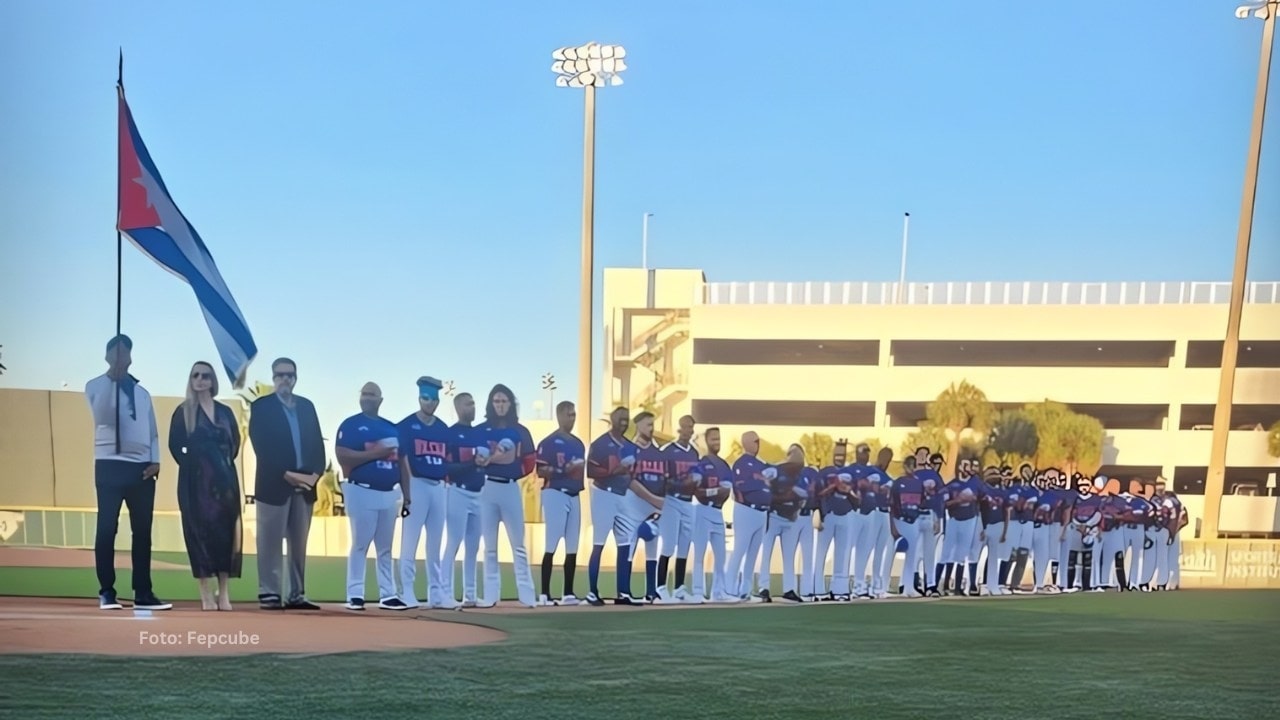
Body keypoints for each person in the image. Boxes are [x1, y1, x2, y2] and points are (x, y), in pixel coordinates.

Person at [85, 334, 170, 611]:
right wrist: (114, 378)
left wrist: (155, 460)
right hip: (110, 464)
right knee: (107, 528)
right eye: (118, 352)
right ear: (108, 355)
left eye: (127, 353)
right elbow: (103, 417)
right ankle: (107, 590)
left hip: (141, 469)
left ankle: (143, 591)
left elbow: (153, 431)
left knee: (142, 531)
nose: (124, 357)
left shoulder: (142, 393)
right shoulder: (96, 386)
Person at [248, 357, 326, 610]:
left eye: (289, 375)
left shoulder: (306, 406)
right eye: (280, 375)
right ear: (273, 377)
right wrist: (284, 473)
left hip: (305, 485)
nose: (285, 379)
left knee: (299, 544)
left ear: (295, 378)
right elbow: (260, 444)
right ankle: (269, 592)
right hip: (274, 483)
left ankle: (297, 594)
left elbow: (317, 443)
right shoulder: (262, 407)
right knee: (269, 543)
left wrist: (315, 475)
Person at [167, 361, 243, 611]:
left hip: (225, 483)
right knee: (199, 533)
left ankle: (224, 593)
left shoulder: (225, 412)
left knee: (225, 534)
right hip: (194, 484)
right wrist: (195, 465)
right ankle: (205, 592)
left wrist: (219, 465)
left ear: (213, 380)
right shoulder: (184, 412)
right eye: (195, 375)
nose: (200, 379)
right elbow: (175, 445)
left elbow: (234, 444)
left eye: (206, 376)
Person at [335, 382, 408, 611]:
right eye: (364, 394)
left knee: (385, 547)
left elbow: (402, 463)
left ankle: (388, 594)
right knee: (360, 543)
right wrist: (375, 453)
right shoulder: (351, 425)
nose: (367, 398)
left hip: (389, 492)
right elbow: (342, 455)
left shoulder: (392, 428)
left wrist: (408, 495)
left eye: (372, 395)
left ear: (380, 400)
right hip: (361, 489)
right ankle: (355, 594)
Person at [477, 384, 538, 609]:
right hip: (487, 488)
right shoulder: (481, 430)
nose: (500, 405)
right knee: (490, 546)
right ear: (491, 404)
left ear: (511, 404)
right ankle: (491, 595)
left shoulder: (521, 431)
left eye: (504, 401)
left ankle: (527, 594)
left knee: (518, 544)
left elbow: (530, 461)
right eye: (496, 401)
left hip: (511, 488)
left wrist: (515, 471)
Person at [397, 376, 451, 609]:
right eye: (425, 398)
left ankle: (436, 592)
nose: (429, 403)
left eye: (433, 399)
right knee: (410, 540)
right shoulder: (406, 426)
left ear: (438, 401)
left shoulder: (442, 428)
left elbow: (447, 459)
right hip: (416, 484)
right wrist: (406, 492)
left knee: (435, 543)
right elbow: (403, 459)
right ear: (419, 398)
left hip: (438, 486)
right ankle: (406, 590)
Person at [534, 401, 586, 606]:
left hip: (575, 494)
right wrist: (565, 469)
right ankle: (545, 593)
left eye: (574, 415)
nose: (572, 419)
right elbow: (541, 471)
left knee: (573, 544)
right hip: (555, 492)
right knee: (552, 542)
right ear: (559, 416)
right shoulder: (548, 442)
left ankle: (568, 592)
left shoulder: (578, 443)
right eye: (568, 415)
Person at [441, 392, 486, 608]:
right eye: (469, 403)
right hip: (457, 491)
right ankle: (445, 592)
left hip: (479, 493)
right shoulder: (450, 434)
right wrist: (472, 463)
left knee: (473, 547)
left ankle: (470, 594)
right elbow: (446, 468)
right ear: (458, 407)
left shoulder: (480, 434)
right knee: (453, 543)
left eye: (474, 403)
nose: (473, 407)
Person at [757, 443, 812, 603]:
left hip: (790, 519)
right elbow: (763, 487)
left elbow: (803, 496)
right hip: (773, 517)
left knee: (789, 557)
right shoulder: (775, 471)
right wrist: (783, 497)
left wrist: (792, 498)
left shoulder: (801, 476)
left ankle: (789, 589)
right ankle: (763, 588)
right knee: (766, 553)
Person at [655, 415, 699, 603]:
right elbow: (662, 480)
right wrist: (683, 482)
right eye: (685, 427)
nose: (688, 431)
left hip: (688, 501)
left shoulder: (694, 453)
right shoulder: (667, 451)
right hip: (671, 500)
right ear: (679, 428)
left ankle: (679, 588)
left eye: (691, 427)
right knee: (668, 544)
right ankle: (660, 587)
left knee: (684, 545)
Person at [726, 431, 775, 601]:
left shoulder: (761, 464)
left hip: (762, 511)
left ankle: (744, 590)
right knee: (740, 549)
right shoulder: (741, 463)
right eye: (754, 441)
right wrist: (761, 484)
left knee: (753, 553)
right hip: (746, 509)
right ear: (746, 442)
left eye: (758, 440)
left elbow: (770, 481)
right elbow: (741, 486)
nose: (757, 443)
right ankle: (729, 589)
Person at [689, 426, 733, 603]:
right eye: (713, 439)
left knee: (720, 555)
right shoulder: (701, 463)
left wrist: (715, 492)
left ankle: (719, 591)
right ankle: (698, 591)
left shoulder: (724, 465)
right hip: (702, 510)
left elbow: (726, 493)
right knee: (699, 553)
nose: (717, 442)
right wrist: (715, 491)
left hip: (718, 512)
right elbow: (697, 491)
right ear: (707, 441)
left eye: (719, 439)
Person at [630, 411, 669, 602]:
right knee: (629, 547)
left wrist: (661, 504)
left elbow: (665, 481)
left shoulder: (658, 454)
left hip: (654, 509)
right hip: (634, 506)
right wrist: (654, 499)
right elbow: (630, 481)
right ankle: (625, 591)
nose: (651, 428)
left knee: (652, 549)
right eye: (647, 424)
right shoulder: (630, 449)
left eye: (652, 424)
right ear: (637, 425)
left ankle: (651, 591)